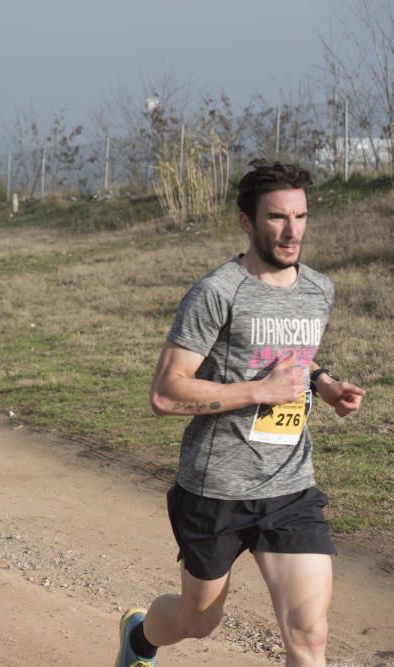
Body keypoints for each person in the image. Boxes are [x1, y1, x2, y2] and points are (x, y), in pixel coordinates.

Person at [115, 161, 366, 667]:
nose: (292, 231)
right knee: (198, 621)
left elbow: (292, 353)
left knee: (309, 634)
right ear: (247, 223)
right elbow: (166, 393)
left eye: (300, 216)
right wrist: (259, 391)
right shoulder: (217, 293)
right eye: (277, 218)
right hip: (215, 490)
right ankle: (141, 637)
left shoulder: (318, 290)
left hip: (289, 483)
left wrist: (324, 382)